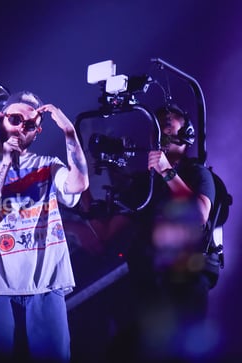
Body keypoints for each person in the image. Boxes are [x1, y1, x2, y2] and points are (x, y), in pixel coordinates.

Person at [0, 90, 89, 363]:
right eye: (15, 119)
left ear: (36, 131)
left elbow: (79, 184)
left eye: (28, 124)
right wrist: (5, 164)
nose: (19, 128)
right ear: (1, 118)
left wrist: (69, 133)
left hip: (45, 285)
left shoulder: (47, 165)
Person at [98, 104, 218, 362]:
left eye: (167, 126)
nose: (160, 133)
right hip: (148, 281)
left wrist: (167, 171)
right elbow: (106, 232)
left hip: (185, 279)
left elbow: (199, 215)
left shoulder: (197, 173)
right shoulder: (144, 182)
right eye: (156, 127)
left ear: (186, 135)